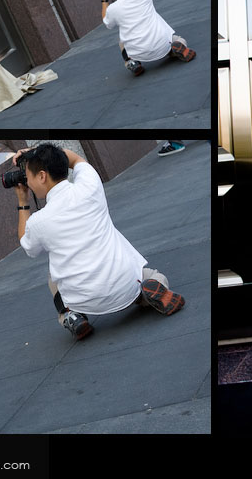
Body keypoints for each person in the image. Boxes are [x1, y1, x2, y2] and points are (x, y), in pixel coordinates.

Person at [12, 143, 185, 340]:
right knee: (151, 275)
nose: (27, 181)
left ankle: (71, 315)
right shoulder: (89, 185)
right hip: (125, 284)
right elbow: (76, 159)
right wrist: (36, 153)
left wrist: (22, 202)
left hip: (82, 298)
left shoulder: (38, 222)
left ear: (42, 176)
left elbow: (27, 245)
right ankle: (149, 289)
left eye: (28, 176)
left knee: (53, 278)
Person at [98, 0, 195, 77]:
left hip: (138, 52)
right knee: (177, 39)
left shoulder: (113, 8)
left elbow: (107, 22)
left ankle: (132, 62)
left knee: (122, 42)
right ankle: (176, 47)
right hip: (162, 44)